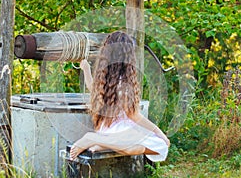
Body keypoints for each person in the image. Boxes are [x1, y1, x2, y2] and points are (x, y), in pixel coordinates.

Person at [70, 31, 170, 162]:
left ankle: (102, 143)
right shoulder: (124, 82)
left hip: (105, 130)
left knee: (140, 144)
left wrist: (86, 70)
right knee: (160, 145)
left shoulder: (104, 75)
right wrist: (159, 132)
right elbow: (133, 115)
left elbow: (93, 89)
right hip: (121, 130)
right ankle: (93, 139)